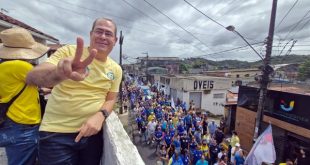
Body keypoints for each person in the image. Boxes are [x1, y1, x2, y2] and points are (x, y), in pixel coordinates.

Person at [26, 18, 122, 164]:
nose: (103, 36)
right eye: (99, 31)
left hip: (92, 136)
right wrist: (59, 73)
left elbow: (110, 99)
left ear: (115, 40)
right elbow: (33, 77)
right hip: (56, 134)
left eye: (108, 34)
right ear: (91, 34)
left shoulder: (116, 69)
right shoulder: (69, 52)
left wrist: (101, 115)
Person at [0, 27, 49, 165]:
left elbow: (25, 88)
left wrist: (45, 91)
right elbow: (46, 79)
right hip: (23, 123)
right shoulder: (20, 66)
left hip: (11, 119)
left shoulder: (3, 65)